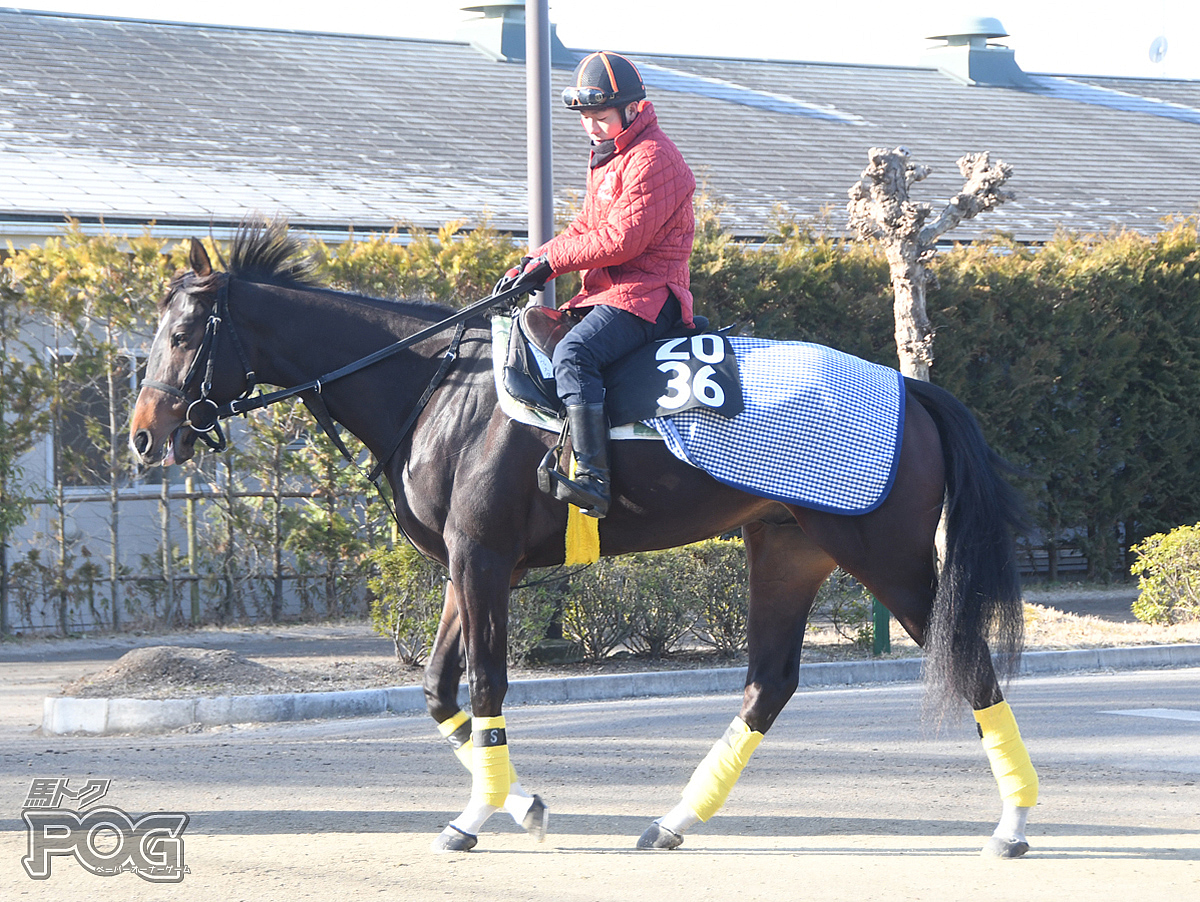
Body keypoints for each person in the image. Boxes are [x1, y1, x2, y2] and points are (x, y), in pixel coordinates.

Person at [508, 50, 697, 518]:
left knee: (575, 354)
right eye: (586, 118)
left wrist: (552, 260)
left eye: (600, 116)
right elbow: (587, 228)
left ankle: (593, 479)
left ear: (632, 109)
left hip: (649, 297)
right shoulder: (613, 156)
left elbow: (621, 240)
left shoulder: (654, 158)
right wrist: (533, 262)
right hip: (615, 294)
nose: (591, 127)